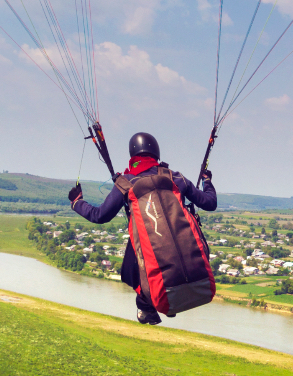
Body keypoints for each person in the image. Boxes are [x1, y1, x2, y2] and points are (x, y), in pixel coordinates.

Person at [68, 131, 216, 324]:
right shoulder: (176, 178)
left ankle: (146, 306)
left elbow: (99, 215)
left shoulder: (125, 183)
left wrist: (76, 202)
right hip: (201, 280)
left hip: (161, 289)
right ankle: (153, 303)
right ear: (156, 153)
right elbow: (210, 203)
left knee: (133, 259)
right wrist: (207, 181)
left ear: (133, 155)